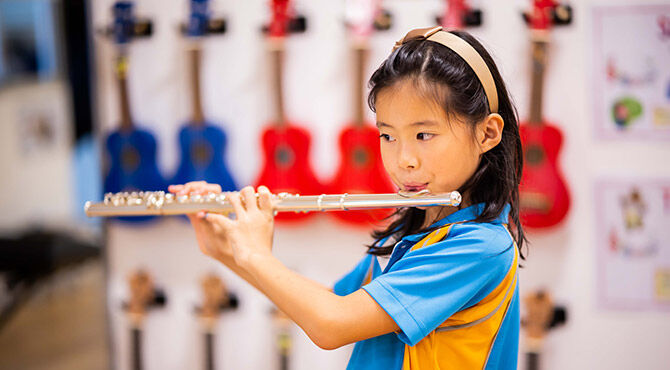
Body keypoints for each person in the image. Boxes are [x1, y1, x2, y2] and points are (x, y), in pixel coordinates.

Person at [168, 26, 526, 370]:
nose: (404, 160)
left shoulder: (481, 246)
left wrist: (255, 255)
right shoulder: (413, 231)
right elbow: (334, 304)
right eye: (388, 137)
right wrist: (227, 249)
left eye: (424, 135)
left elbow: (332, 325)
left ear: (487, 132)